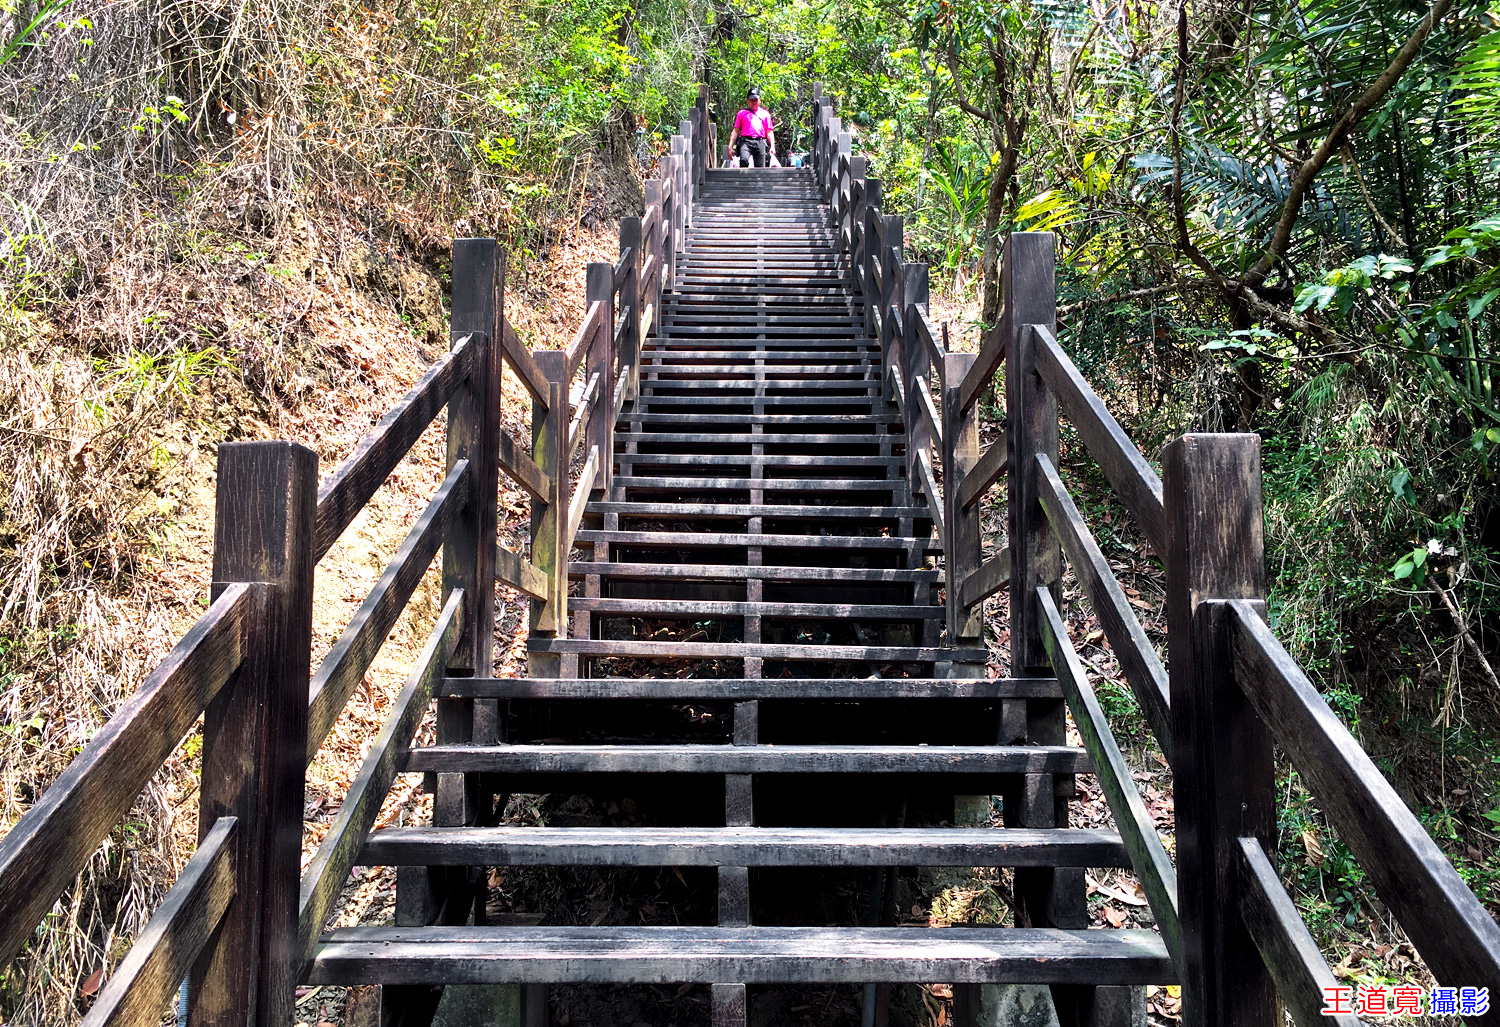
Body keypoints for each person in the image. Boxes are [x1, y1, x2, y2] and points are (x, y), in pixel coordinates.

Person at [728, 87, 776, 168]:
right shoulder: (742, 113)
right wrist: (730, 146)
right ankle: (744, 179)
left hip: (760, 141)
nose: (754, 102)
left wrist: (772, 146)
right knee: (744, 160)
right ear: (747, 100)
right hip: (746, 141)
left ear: (759, 100)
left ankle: (757, 180)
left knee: (760, 167)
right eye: (751, 100)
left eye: (756, 100)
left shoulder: (765, 114)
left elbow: (769, 132)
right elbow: (735, 131)